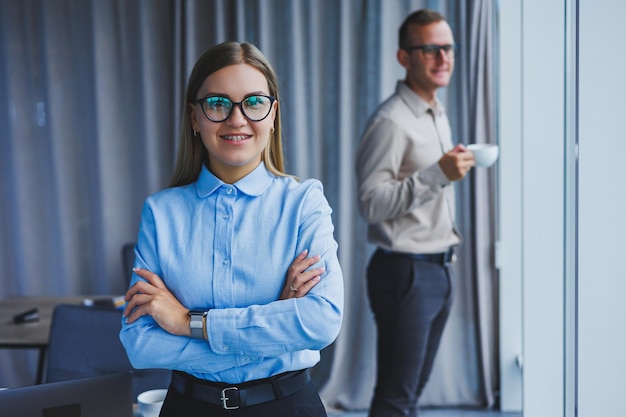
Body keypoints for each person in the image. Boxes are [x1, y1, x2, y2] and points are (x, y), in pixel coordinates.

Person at [120, 41, 344, 417]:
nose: (237, 119)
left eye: (254, 102)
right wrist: (275, 326)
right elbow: (140, 344)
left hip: (286, 407)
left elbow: (321, 321)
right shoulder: (161, 213)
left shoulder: (305, 202)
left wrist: (187, 322)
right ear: (195, 117)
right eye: (218, 103)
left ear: (273, 115)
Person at [355, 9, 474, 417]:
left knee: (410, 393)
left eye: (449, 48)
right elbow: (369, 204)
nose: (444, 59)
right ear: (404, 57)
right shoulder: (391, 121)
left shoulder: (436, 111)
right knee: (396, 398)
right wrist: (436, 175)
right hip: (405, 273)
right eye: (430, 50)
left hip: (439, 268)